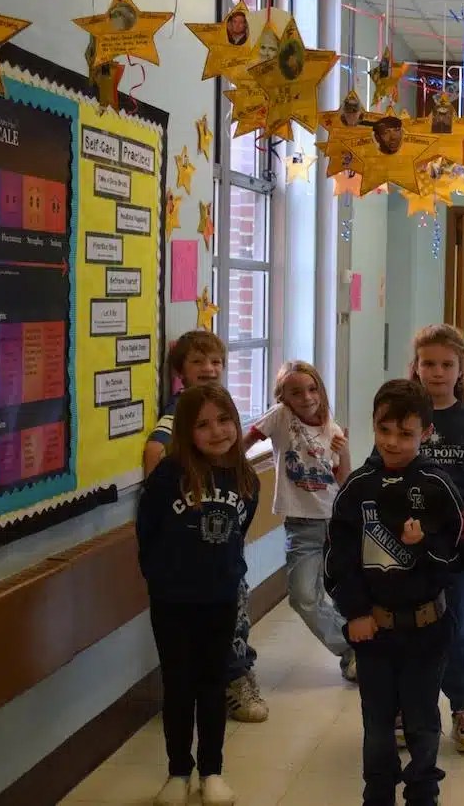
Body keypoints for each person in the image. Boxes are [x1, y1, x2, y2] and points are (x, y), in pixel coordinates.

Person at [326, 379, 464, 806]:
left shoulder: (438, 487)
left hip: (427, 631)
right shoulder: (356, 488)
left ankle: (423, 793)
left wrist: (422, 545)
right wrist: (356, 612)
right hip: (375, 632)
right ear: (373, 426)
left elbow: (458, 560)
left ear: (425, 433)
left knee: (423, 723)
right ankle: (378, 794)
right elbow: (338, 560)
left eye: (405, 433)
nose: (392, 441)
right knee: (378, 725)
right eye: (384, 430)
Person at [137, 385, 260, 806]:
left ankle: (211, 771)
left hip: (221, 599)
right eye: (203, 424)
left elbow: (237, 534)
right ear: (187, 431)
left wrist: (222, 577)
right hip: (172, 602)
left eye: (224, 420)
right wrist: (163, 582)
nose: (216, 431)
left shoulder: (245, 477)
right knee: (178, 685)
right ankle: (177, 771)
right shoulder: (168, 477)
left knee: (212, 684)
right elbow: (147, 533)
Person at [143, 331, 269, 724]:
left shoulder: (220, 407)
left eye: (215, 362)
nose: (209, 369)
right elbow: (155, 449)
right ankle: (230, 680)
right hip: (191, 555)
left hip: (223, 551)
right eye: (198, 363)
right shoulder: (180, 411)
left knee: (236, 615)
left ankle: (233, 675)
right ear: (180, 372)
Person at [406, 324, 464, 753]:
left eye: (446, 364)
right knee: (411, 624)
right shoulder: (404, 417)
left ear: (461, 368)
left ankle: (463, 706)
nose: (437, 372)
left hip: (457, 542)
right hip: (408, 543)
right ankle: (409, 709)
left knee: (455, 622)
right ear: (416, 367)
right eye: (428, 363)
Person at [243, 361, 357, 683]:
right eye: (296, 392)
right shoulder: (280, 417)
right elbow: (248, 441)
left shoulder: (331, 429)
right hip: (303, 525)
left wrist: (344, 451)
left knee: (344, 594)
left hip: (336, 522)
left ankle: (362, 653)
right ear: (284, 397)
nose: (306, 397)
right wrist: (227, 468)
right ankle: (352, 648)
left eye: (312, 389)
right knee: (304, 597)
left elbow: (343, 479)